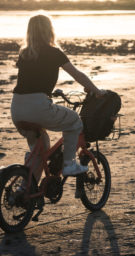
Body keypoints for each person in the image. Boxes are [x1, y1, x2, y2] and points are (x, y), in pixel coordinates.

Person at [11, 14, 105, 177]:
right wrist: (97, 91)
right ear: (49, 31)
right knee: (74, 121)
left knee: (40, 149)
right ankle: (69, 164)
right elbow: (78, 75)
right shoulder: (54, 53)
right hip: (38, 107)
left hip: (17, 108)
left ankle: (26, 191)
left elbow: (30, 78)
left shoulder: (25, 53)